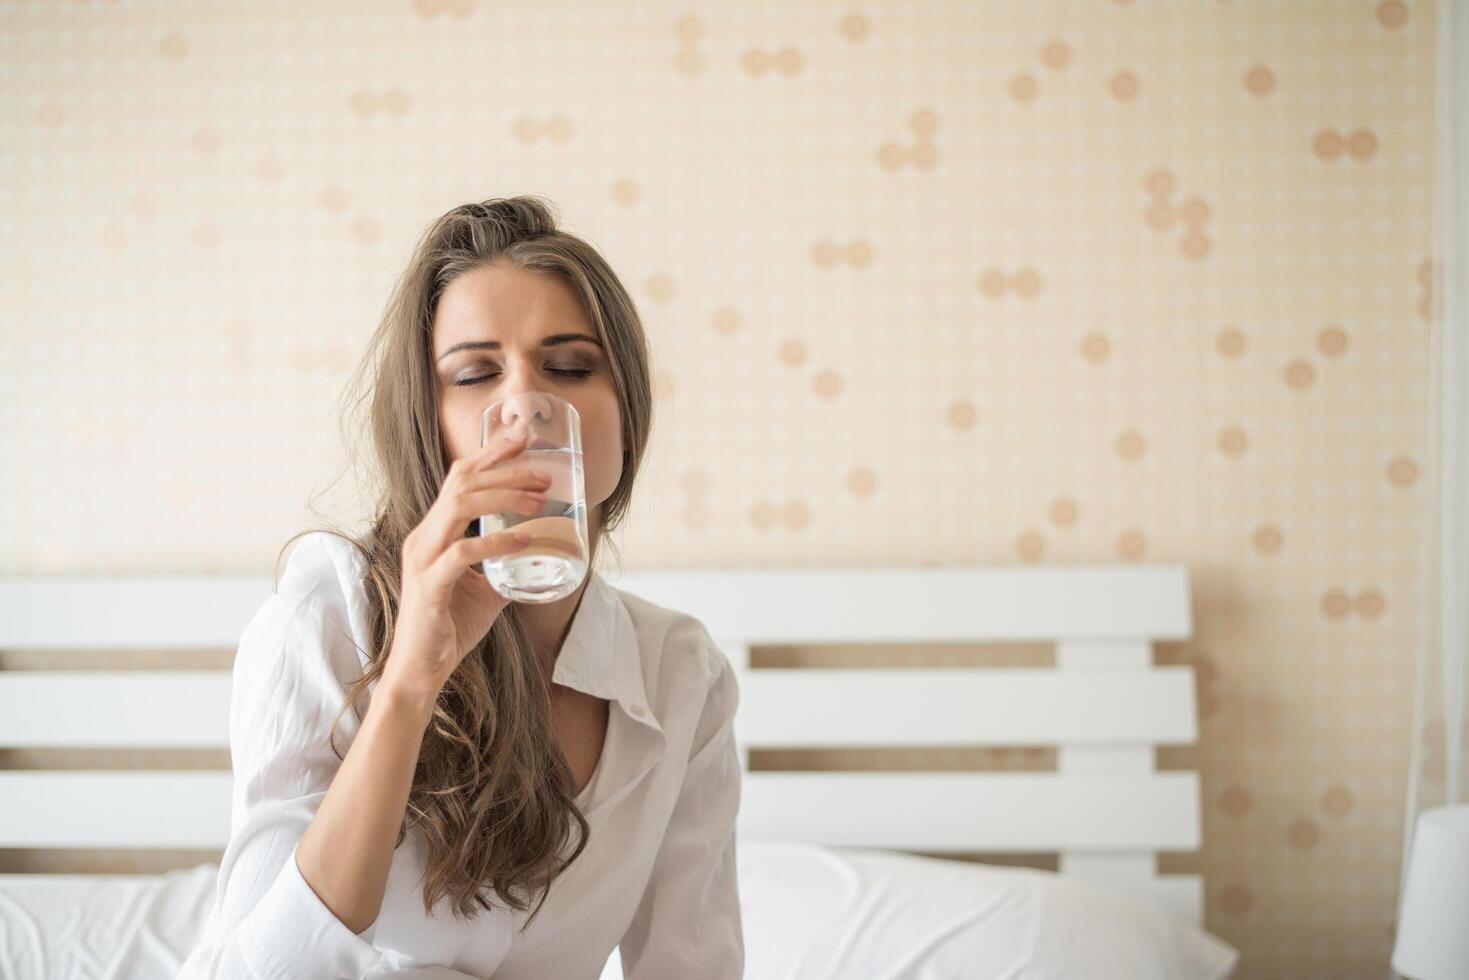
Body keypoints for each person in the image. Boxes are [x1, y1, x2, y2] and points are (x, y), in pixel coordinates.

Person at [177, 196, 744, 979]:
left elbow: (691, 964)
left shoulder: (682, 673)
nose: (524, 413)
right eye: (475, 374)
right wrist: (410, 681)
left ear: (626, 407)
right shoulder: (330, 617)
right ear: (430, 422)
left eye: (570, 367)